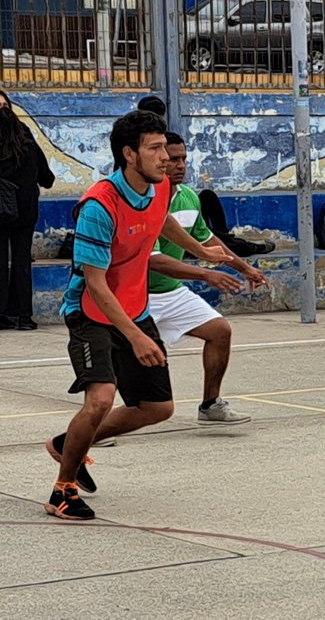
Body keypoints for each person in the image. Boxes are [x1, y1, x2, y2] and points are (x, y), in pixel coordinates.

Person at [44, 110, 230, 520]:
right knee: (100, 400)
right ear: (130, 154)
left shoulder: (158, 187)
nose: (166, 156)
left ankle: (67, 442)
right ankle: (62, 490)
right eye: (155, 148)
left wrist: (202, 252)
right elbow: (94, 282)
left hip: (132, 306)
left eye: (165, 147)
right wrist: (136, 336)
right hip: (92, 312)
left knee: (157, 408)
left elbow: (159, 221)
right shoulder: (99, 205)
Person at [146, 132, 266, 423]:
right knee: (120, 359)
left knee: (219, 331)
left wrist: (243, 267)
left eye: (183, 158)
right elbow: (155, 262)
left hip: (171, 293)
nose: (179, 164)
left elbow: (208, 239)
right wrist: (206, 275)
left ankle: (210, 404)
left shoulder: (188, 197)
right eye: (173, 159)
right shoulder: (145, 199)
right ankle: (97, 423)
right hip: (137, 295)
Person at [0, 89, 55, 331]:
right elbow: (47, 177)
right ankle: (23, 316)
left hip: (1, 211)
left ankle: (2, 315)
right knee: (22, 262)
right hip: (25, 211)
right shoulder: (27, 140)